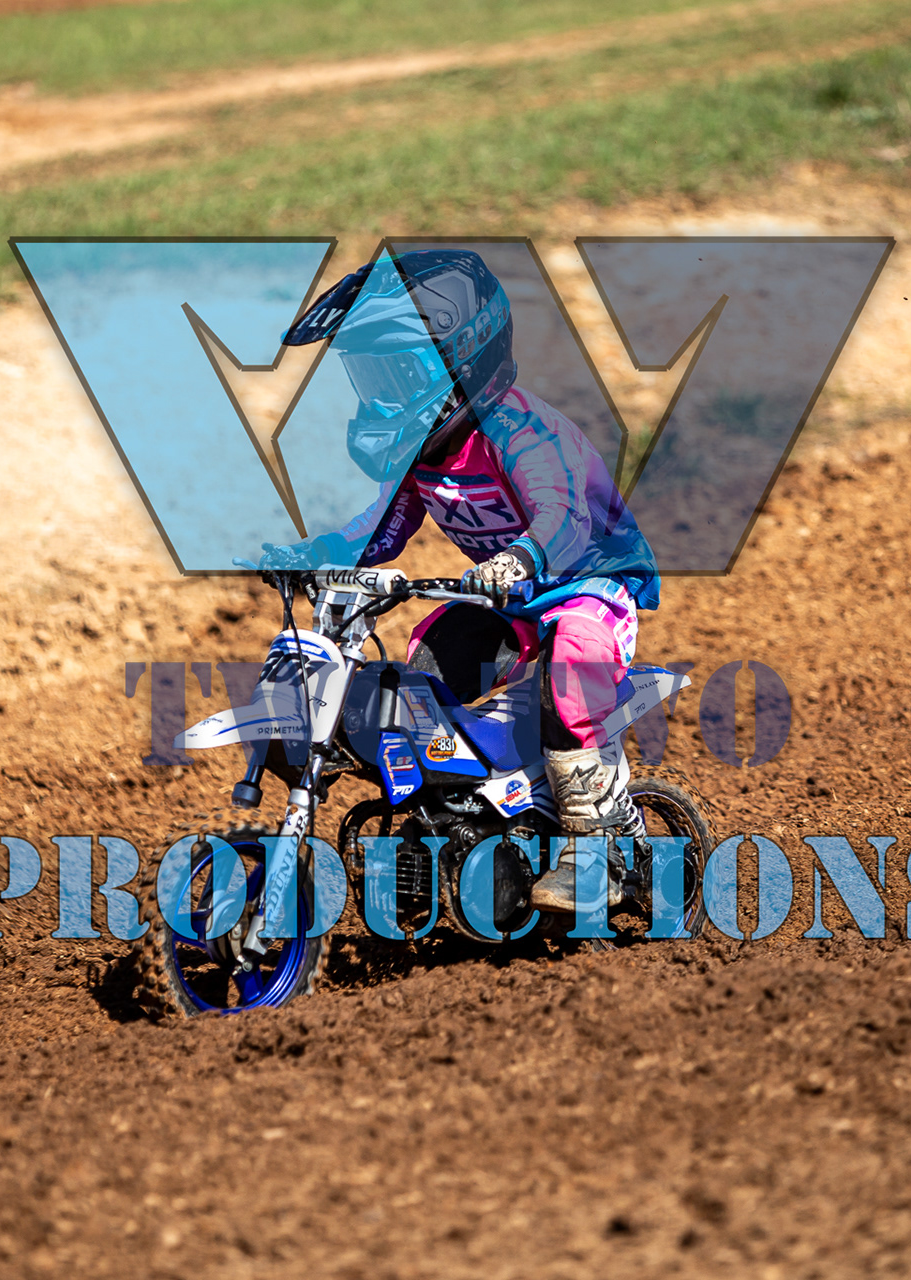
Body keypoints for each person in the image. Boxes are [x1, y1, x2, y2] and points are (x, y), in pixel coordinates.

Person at [261, 248, 658, 913]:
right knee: (419, 675)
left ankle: (603, 850)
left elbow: (564, 515)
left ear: (461, 358)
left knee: (571, 670)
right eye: (369, 377)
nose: (381, 395)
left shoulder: (521, 431)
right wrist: (308, 554)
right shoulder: (422, 451)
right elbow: (377, 532)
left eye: (397, 374)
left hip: (587, 589)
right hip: (502, 600)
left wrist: (522, 560)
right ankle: (457, 815)